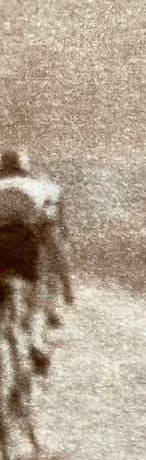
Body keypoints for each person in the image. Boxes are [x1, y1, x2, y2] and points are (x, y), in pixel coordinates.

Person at [0, 149, 75, 381]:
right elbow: (54, 240)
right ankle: (35, 343)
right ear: (25, 167)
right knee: (35, 303)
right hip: (26, 253)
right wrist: (67, 284)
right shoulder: (43, 187)